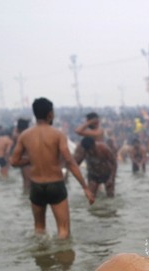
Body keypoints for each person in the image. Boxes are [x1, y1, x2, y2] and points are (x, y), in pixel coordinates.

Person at [10, 97, 93, 239]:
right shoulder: (58, 135)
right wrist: (85, 187)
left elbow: (14, 161)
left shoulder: (25, 136)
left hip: (36, 186)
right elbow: (70, 161)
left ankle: (42, 259)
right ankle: (63, 259)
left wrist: (30, 160)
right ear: (50, 114)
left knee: (39, 230)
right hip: (55, 184)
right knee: (63, 230)